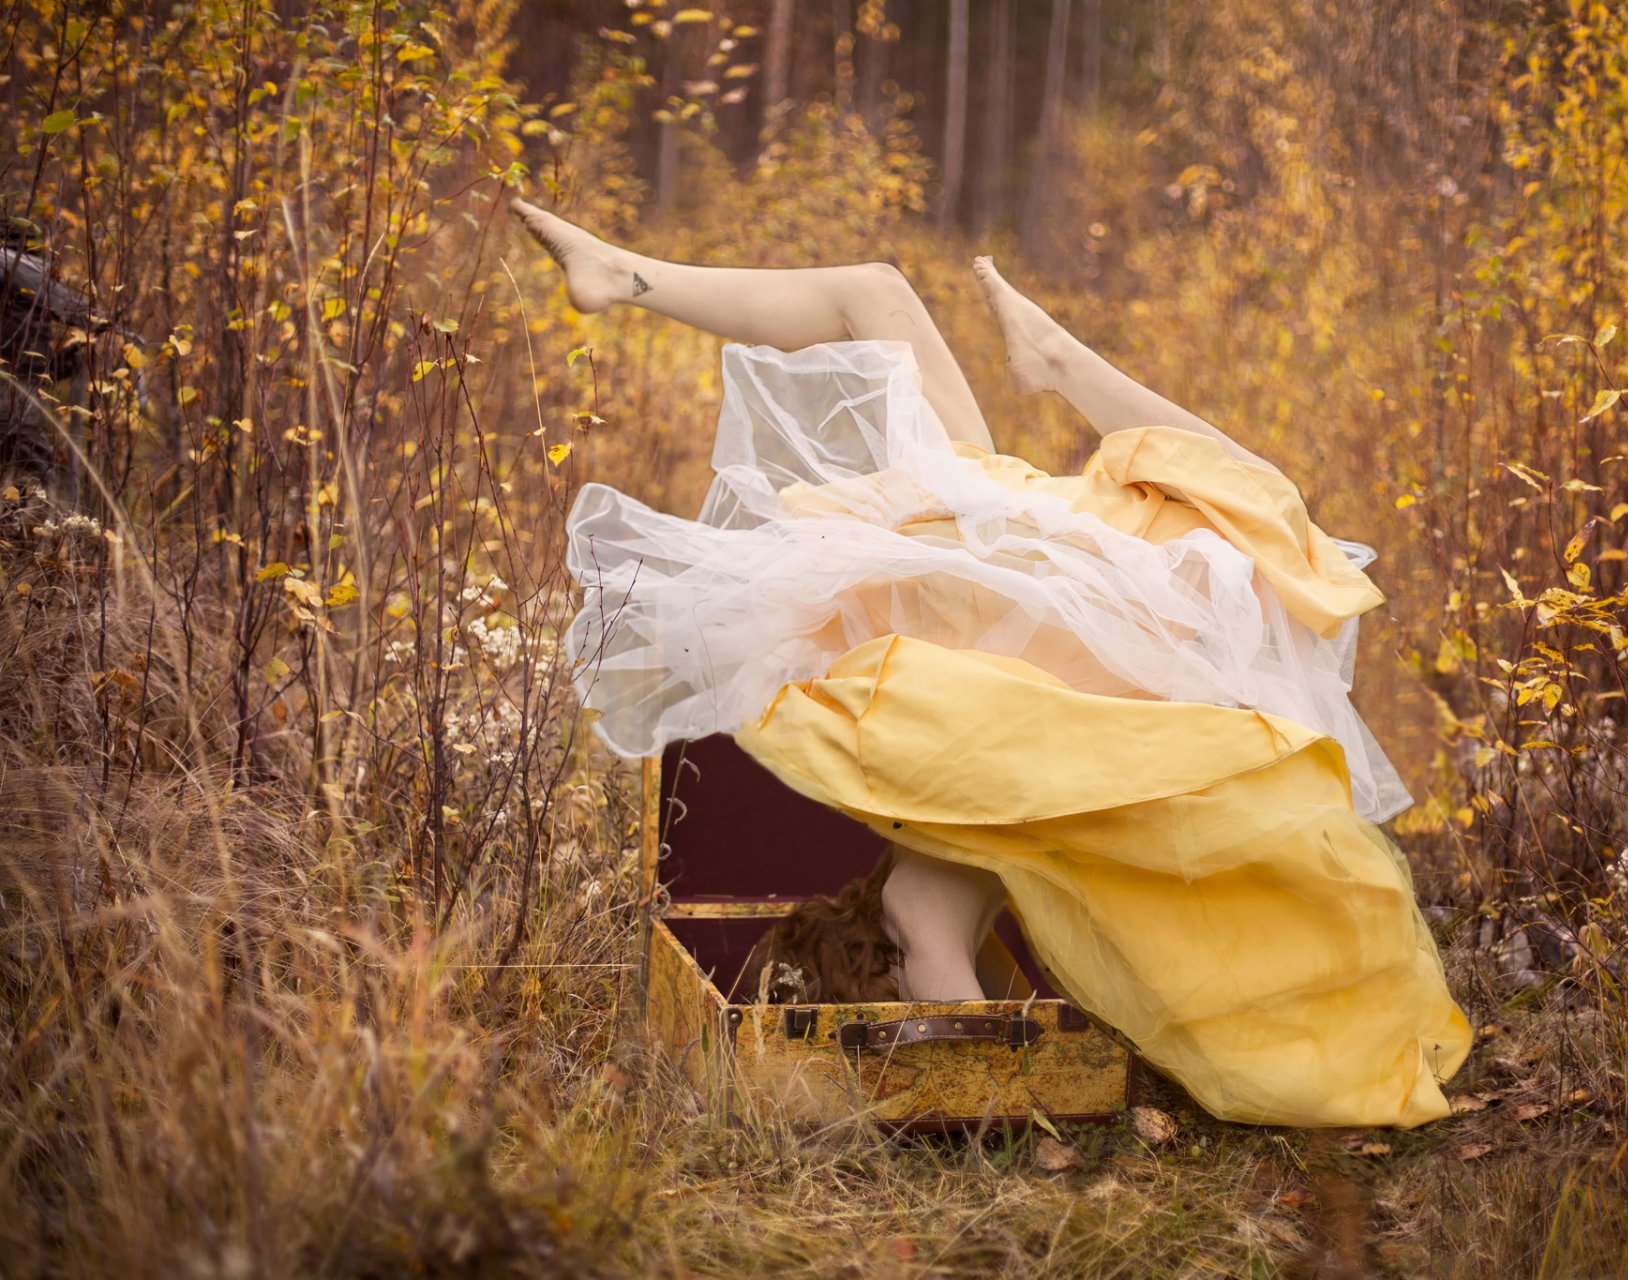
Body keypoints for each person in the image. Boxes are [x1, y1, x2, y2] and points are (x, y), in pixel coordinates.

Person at [512, 197, 1471, 1127]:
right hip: (999, 647)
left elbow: (964, 1026)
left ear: (874, 972)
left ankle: (636, 279)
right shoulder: (923, 901)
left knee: (1253, 529)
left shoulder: (923, 896)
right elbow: (972, 1050)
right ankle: (1048, 361)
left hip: (979, 638)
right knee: (1252, 518)